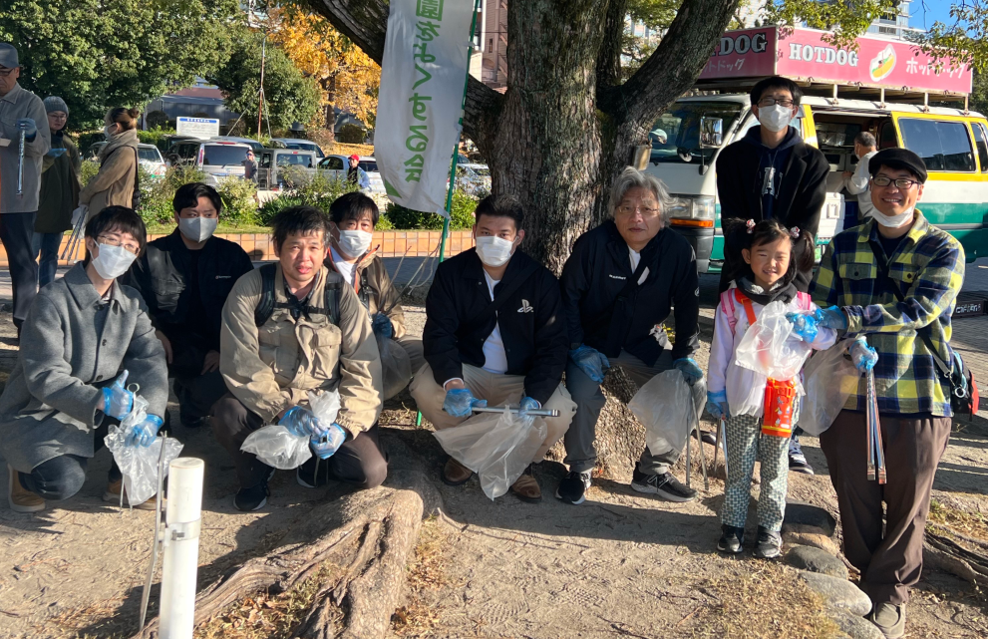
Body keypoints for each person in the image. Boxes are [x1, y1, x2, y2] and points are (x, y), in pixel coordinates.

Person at [807, 148, 963, 639]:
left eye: (902, 181)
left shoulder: (944, 248)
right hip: (849, 393)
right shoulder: (843, 243)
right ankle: (863, 574)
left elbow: (921, 309)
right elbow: (822, 308)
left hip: (919, 395)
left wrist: (850, 320)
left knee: (909, 499)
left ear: (919, 190)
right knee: (852, 490)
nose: (891, 189)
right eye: (881, 180)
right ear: (868, 187)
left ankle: (890, 595)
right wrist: (810, 329)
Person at [214, 206, 384, 512]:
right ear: (277, 248)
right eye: (294, 247)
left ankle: (313, 462)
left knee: (370, 471)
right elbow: (241, 363)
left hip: (325, 406)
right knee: (228, 413)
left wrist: (344, 426)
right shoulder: (251, 289)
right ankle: (254, 475)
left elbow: (364, 366)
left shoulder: (339, 294)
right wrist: (282, 411)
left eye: (313, 248)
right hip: (272, 402)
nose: (304, 259)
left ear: (325, 250)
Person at [0, 206, 168, 512]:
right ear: (91, 243)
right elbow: (44, 375)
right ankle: (22, 473)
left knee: (153, 423)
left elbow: (150, 358)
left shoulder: (131, 301)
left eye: (130, 246)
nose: (121, 251)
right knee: (61, 482)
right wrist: (100, 400)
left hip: (102, 402)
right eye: (114, 241)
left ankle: (121, 481)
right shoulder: (52, 299)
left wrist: (153, 413)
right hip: (42, 409)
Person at [410, 194, 576, 502]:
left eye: (503, 234)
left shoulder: (540, 281)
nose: (493, 240)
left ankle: (517, 463)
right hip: (468, 372)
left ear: (519, 237)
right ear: (474, 231)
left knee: (560, 411)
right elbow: (438, 333)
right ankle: (466, 453)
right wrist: (454, 382)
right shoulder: (451, 274)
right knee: (424, 388)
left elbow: (554, 346)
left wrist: (536, 395)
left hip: (521, 378)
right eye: (486, 232)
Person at [558, 167, 702, 506]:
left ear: (662, 215)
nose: (636, 217)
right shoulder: (593, 245)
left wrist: (684, 353)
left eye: (647, 209)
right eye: (626, 208)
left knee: (692, 389)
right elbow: (568, 298)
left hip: (643, 342)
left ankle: (653, 470)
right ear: (614, 213)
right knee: (580, 394)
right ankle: (580, 468)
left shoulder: (678, 251)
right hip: (592, 342)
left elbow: (687, 306)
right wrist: (577, 346)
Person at [716, 76, 830, 475]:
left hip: (789, 269)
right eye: (768, 100)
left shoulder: (813, 162)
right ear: (755, 107)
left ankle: (787, 435)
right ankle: (735, 423)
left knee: (788, 354)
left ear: (795, 110)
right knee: (737, 346)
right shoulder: (731, 157)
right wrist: (747, 247)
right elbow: (729, 212)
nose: (776, 107)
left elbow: (806, 224)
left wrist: (783, 259)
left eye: (784, 101)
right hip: (744, 261)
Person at [707, 219, 837, 559]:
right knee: (738, 467)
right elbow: (720, 352)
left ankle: (769, 530)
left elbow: (827, 339)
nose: (771, 263)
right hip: (740, 399)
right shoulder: (732, 301)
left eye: (780, 256)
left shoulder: (802, 304)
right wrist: (715, 392)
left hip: (782, 399)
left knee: (777, 467)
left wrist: (811, 331)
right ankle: (732, 527)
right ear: (748, 256)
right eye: (763, 254)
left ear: (791, 259)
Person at [123, 183, 254, 429]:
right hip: (164, 344)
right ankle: (157, 417)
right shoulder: (150, 255)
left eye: (208, 215)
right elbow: (133, 301)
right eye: (192, 215)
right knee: (141, 376)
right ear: (177, 216)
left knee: (218, 393)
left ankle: (191, 401)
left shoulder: (232, 256)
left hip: (215, 348)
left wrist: (225, 350)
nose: (201, 220)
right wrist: (153, 332)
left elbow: (248, 310)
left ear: (218, 217)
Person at [327, 192, 424, 398]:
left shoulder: (374, 264)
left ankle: (377, 394)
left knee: (421, 350)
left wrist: (390, 326)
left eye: (365, 225)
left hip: (373, 342)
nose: (359, 232)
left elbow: (395, 311)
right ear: (333, 227)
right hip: (331, 345)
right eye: (351, 224)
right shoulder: (319, 263)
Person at [0, 43, 51, 335]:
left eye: (4, 72)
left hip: (16, 199)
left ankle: (24, 325)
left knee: (22, 264)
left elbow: (42, 147)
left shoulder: (31, 103)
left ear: (17, 71)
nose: (0, 78)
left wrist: (31, 134)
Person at [35, 96, 81, 288]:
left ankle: (46, 293)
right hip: (35, 209)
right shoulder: (35, 140)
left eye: (63, 116)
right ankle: (26, 297)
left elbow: (75, 176)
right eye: (54, 115)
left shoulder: (68, 145)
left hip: (60, 209)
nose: (59, 119)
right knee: (29, 255)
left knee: (51, 255)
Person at [79, 107, 140, 221]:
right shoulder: (120, 148)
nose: (105, 128)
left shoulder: (124, 151)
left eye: (106, 123)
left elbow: (102, 180)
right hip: (108, 211)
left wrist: (84, 196)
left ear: (115, 127)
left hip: (110, 213)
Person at [841, 131, 878, 229]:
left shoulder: (866, 159)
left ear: (858, 145)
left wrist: (846, 178)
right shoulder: (879, 157)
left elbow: (856, 188)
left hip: (871, 214)